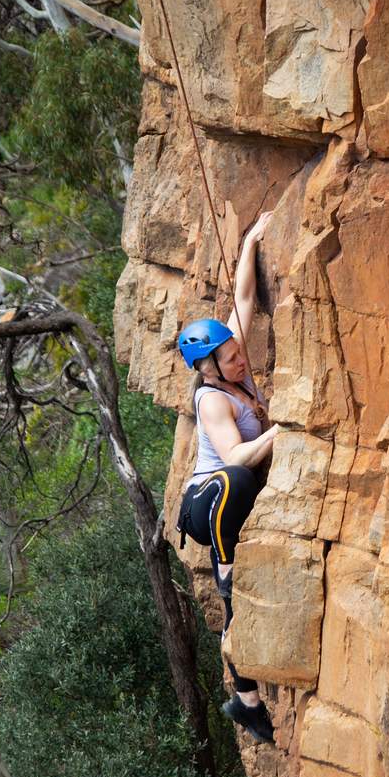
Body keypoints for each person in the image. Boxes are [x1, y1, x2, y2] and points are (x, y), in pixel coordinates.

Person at [174, 211, 279, 745]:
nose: (241, 359)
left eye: (238, 352)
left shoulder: (228, 355)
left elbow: (243, 297)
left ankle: (247, 700)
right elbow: (236, 457)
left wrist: (252, 240)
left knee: (239, 611)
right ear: (209, 368)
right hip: (206, 502)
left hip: (230, 504)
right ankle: (224, 567)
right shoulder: (212, 399)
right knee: (237, 478)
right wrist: (282, 429)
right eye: (231, 358)